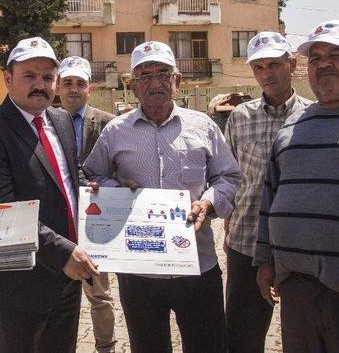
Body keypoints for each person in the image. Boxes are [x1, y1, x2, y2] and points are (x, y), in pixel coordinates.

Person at [84, 41, 241, 353]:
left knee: (208, 346)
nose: (154, 82)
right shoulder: (115, 131)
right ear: (131, 86)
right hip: (138, 270)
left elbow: (229, 177)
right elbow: (92, 176)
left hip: (198, 263)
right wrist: (115, 191)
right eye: (143, 75)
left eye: (162, 73)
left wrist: (208, 203)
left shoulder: (203, 126)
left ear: (177, 80)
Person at [254, 20, 339, 352]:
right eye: (315, 58)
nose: (324, 63)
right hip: (297, 291)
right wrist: (265, 259)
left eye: (336, 54)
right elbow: (270, 195)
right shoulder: (293, 126)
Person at [0, 37, 99, 353]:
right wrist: (64, 252)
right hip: (20, 283)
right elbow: (5, 211)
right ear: (8, 79)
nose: (40, 85)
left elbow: (67, 175)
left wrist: (92, 192)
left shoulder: (62, 120)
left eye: (47, 77)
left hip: (66, 279)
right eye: (29, 76)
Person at [224, 32, 311, 353]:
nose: (267, 73)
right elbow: (230, 176)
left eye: (274, 64)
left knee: (305, 334)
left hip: (299, 246)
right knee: (242, 335)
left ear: (293, 64)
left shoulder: (313, 116)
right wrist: (230, 220)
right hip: (245, 241)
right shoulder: (239, 118)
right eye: (259, 67)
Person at [56, 56, 116, 353]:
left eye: (80, 83)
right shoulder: (47, 122)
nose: (74, 89)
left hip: (96, 219)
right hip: (59, 219)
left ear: (89, 88)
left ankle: (106, 346)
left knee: (99, 293)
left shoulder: (106, 122)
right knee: (57, 294)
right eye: (67, 83)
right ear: (58, 86)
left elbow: (117, 166)